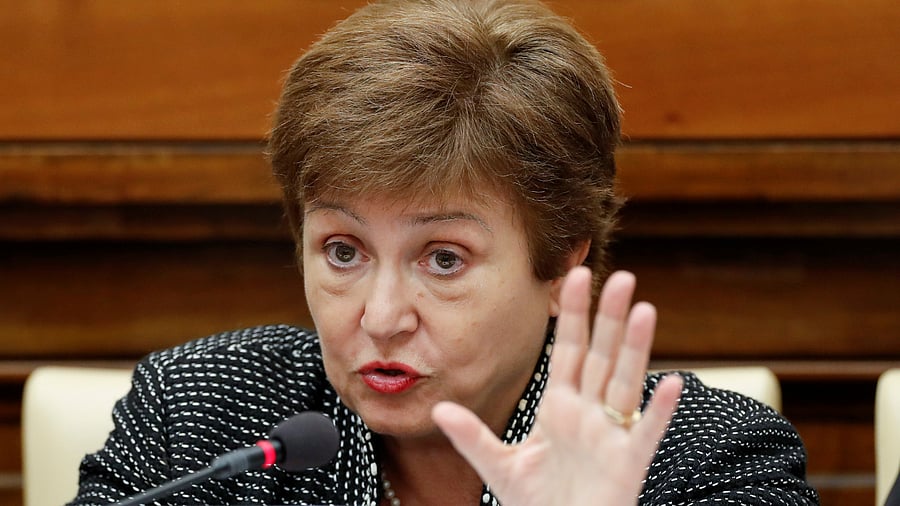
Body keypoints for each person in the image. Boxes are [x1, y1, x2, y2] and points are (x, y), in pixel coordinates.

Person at [70, 0, 819, 504]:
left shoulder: (712, 459)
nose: (383, 317)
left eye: (444, 259)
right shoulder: (202, 418)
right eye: (342, 250)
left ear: (561, 264)